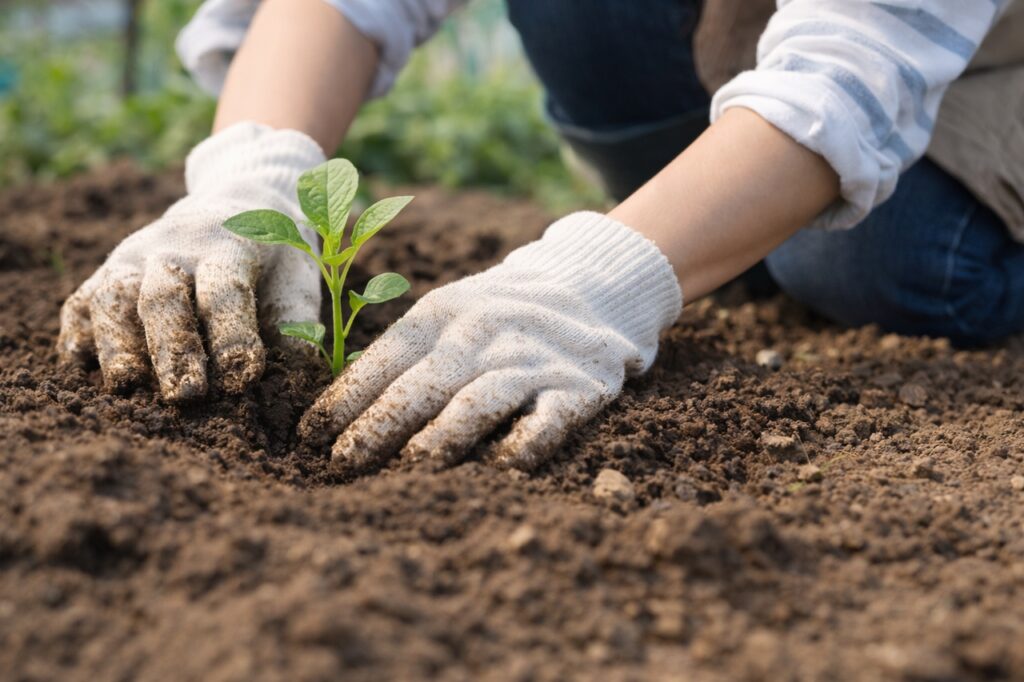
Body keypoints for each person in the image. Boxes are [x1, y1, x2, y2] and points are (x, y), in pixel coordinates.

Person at [57, 0, 1024, 472]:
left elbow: (853, 74)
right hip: (739, 35)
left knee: (852, 256)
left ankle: (735, 228)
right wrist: (250, 173)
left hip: (980, 64)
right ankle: (720, 218)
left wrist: (598, 279)